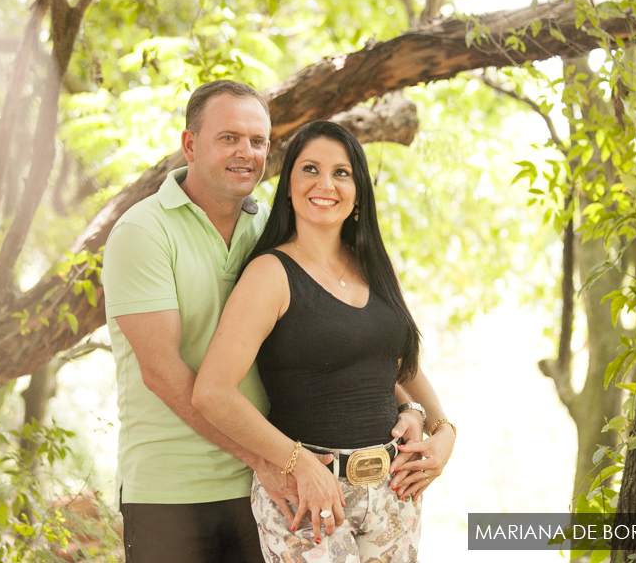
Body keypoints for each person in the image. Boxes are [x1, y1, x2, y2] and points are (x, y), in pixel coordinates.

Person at [101, 81, 444, 563]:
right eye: (229, 138)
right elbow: (161, 372)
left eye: (258, 141)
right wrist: (270, 459)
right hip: (177, 486)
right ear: (190, 144)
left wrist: (418, 415)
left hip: (275, 482)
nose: (246, 152)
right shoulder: (143, 232)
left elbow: (345, 348)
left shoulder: (271, 229)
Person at [192, 120, 457, 562]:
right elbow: (212, 393)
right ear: (289, 186)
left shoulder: (372, 265)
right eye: (310, 169)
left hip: (394, 491)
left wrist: (442, 430)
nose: (325, 183)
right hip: (309, 497)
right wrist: (299, 463)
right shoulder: (270, 274)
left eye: (341, 173)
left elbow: (398, 365)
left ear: (358, 192)